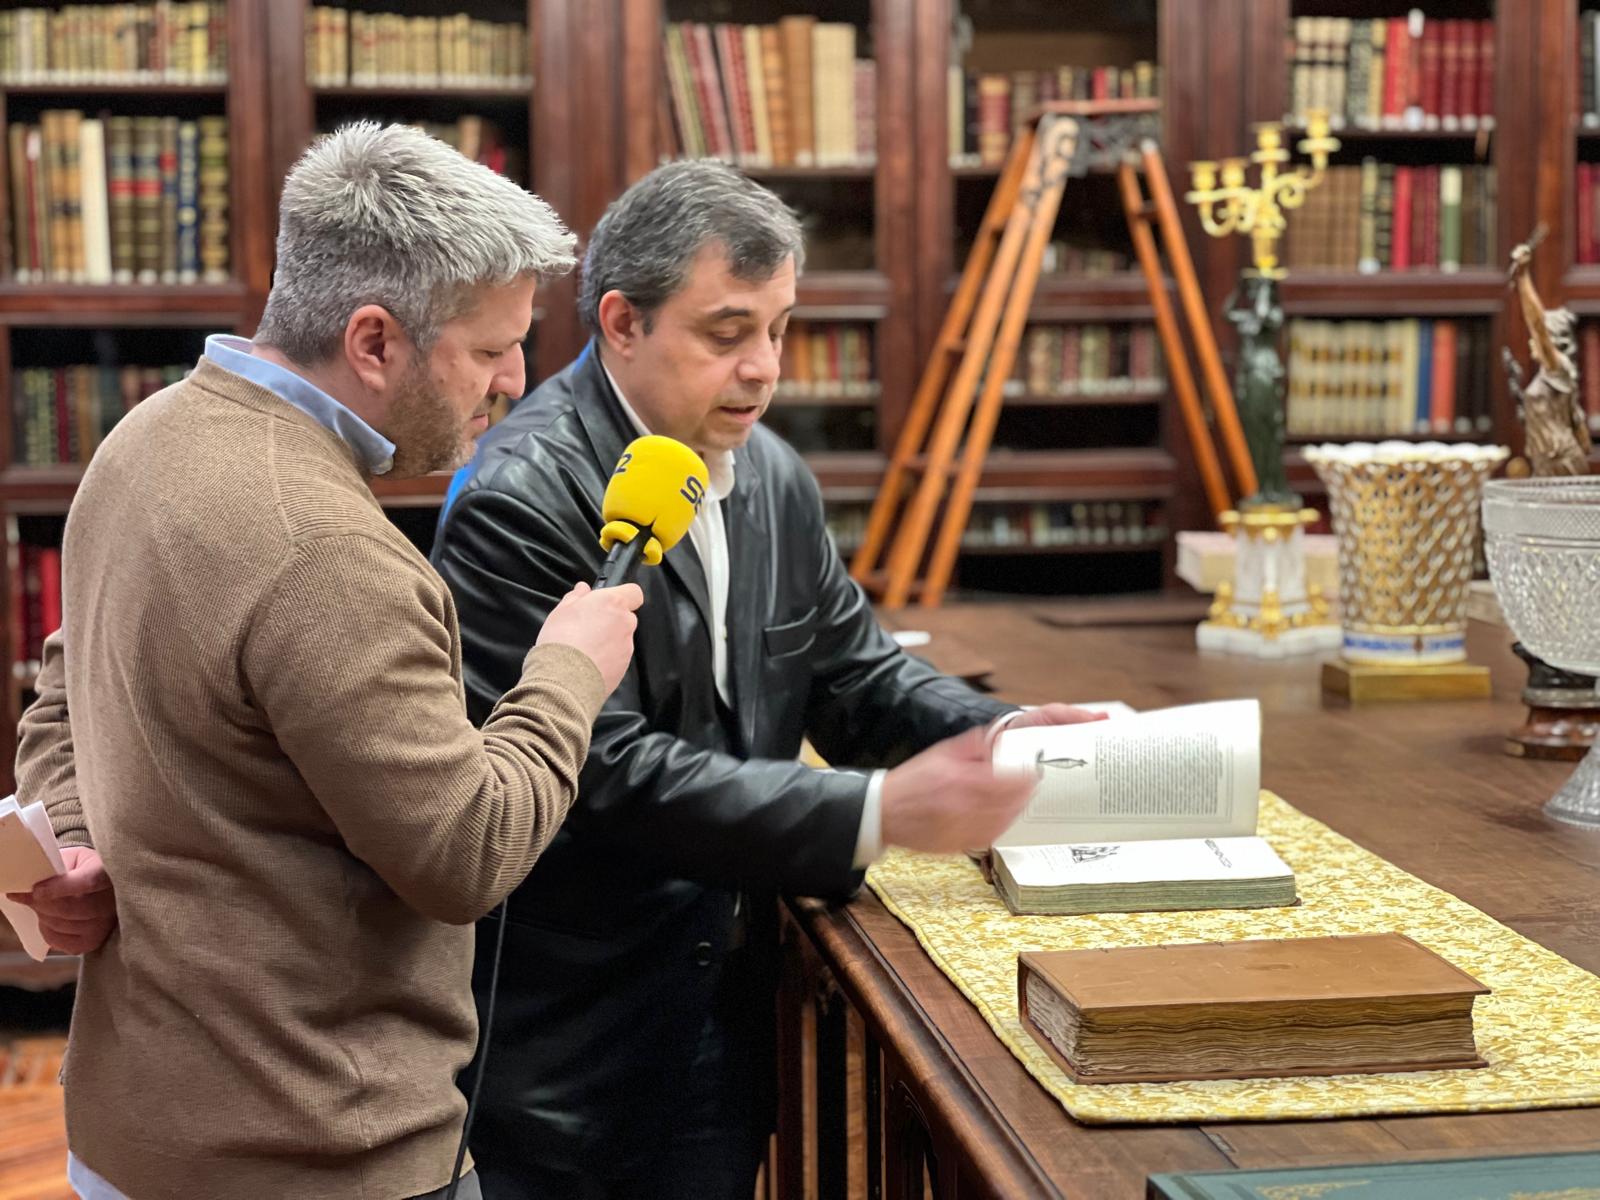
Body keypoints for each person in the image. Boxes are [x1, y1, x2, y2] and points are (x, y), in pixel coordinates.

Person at [432, 159, 1101, 1199]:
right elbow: (606, 774)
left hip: (729, 999)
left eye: (780, 329)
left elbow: (855, 676)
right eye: (726, 332)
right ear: (620, 322)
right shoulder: (519, 496)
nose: (763, 369)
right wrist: (880, 809)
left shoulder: (770, 473)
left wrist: (1008, 734)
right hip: (574, 1036)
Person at [6, 122, 643, 1200]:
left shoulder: (142, 439)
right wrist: (567, 673)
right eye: (488, 349)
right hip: (315, 1156)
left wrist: (71, 845)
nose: (513, 380)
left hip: (127, 1140)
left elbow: (59, 684)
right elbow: (464, 856)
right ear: (374, 340)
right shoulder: (330, 556)